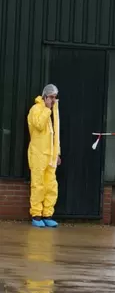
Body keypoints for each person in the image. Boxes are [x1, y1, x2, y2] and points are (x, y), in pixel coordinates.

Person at [27, 84, 62, 228]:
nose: (53, 100)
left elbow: (55, 135)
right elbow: (39, 125)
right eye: (51, 97)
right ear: (45, 97)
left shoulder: (53, 112)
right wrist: (47, 109)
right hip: (38, 153)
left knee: (51, 186)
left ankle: (48, 214)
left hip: (50, 155)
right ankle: (36, 215)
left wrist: (57, 153)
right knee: (38, 185)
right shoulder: (36, 110)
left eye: (55, 97)